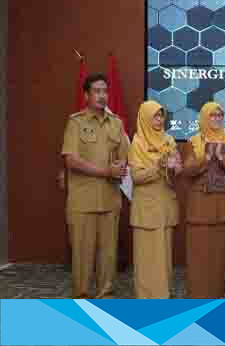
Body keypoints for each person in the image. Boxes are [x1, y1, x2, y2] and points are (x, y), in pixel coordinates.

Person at [61, 73, 129, 298]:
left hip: (110, 200)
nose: (102, 96)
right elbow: (71, 160)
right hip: (83, 202)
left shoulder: (116, 123)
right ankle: (81, 301)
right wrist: (105, 171)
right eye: (97, 91)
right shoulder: (76, 122)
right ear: (87, 95)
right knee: (82, 257)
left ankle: (105, 300)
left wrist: (120, 166)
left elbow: (123, 158)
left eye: (105, 91)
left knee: (108, 257)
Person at [182, 102, 225, 298]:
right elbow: (188, 170)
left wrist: (221, 158)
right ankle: (197, 298)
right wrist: (206, 158)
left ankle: (216, 297)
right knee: (199, 257)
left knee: (218, 258)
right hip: (200, 209)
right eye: (213, 115)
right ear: (205, 117)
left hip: (221, 209)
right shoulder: (193, 141)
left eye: (220, 115)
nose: (217, 119)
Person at [128, 101, 182, 298]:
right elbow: (137, 177)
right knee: (146, 258)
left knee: (164, 258)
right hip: (146, 209)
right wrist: (159, 165)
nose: (159, 120)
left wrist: (176, 167)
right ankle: (146, 299)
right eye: (155, 116)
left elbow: (178, 170)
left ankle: (163, 296)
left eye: (161, 116)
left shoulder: (169, 140)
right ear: (145, 118)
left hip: (166, 208)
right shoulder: (137, 143)